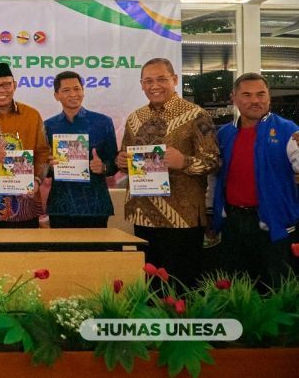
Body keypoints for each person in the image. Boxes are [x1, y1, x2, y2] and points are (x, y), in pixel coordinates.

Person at [116, 58, 219, 287]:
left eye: (161, 79)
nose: (155, 86)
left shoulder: (196, 115)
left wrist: (184, 161)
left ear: (174, 79)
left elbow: (213, 161)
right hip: (143, 214)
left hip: (182, 216)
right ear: (141, 84)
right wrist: (121, 161)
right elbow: (127, 157)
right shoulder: (135, 118)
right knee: (150, 286)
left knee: (182, 286)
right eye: (148, 81)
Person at [211, 73, 299, 286]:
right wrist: (211, 215)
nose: (255, 100)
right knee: (235, 291)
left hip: (274, 225)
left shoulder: (288, 130)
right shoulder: (223, 134)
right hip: (232, 223)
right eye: (247, 95)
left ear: (269, 96)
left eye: (261, 94)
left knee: (277, 291)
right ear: (234, 98)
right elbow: (214, 178)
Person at [0, 63, 50, 228]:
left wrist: (36, 180)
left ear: (15, 85)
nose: (1, 90)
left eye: (6, 84)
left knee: (27, 246)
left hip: (26, 201)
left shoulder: (32, 115)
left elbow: (43, 152)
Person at [44, 71, 118, 228]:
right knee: (60, 246)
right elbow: (43, 168)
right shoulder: (48, 126)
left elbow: (115, 162)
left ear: (83, 91)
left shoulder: (103, 122)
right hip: (61, 207)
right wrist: (49, 166)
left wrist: (103, 167)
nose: (73, 94)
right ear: (56, 96)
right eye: (66, 90)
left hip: (94, 206)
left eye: (77, 89)